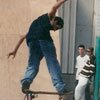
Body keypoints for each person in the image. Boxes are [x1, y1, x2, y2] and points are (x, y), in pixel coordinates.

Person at [8, 0, 68, 94]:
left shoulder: (35, 25)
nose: (55, 30)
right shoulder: (50, 17)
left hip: (33, 43)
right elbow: (54, 7)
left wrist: (14, 50)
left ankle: (26, 83)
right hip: (44, 40)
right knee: (52, 63)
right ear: (55, 20)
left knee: (33, 64)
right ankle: (60, 87)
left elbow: (22, 37)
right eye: (57, 27)